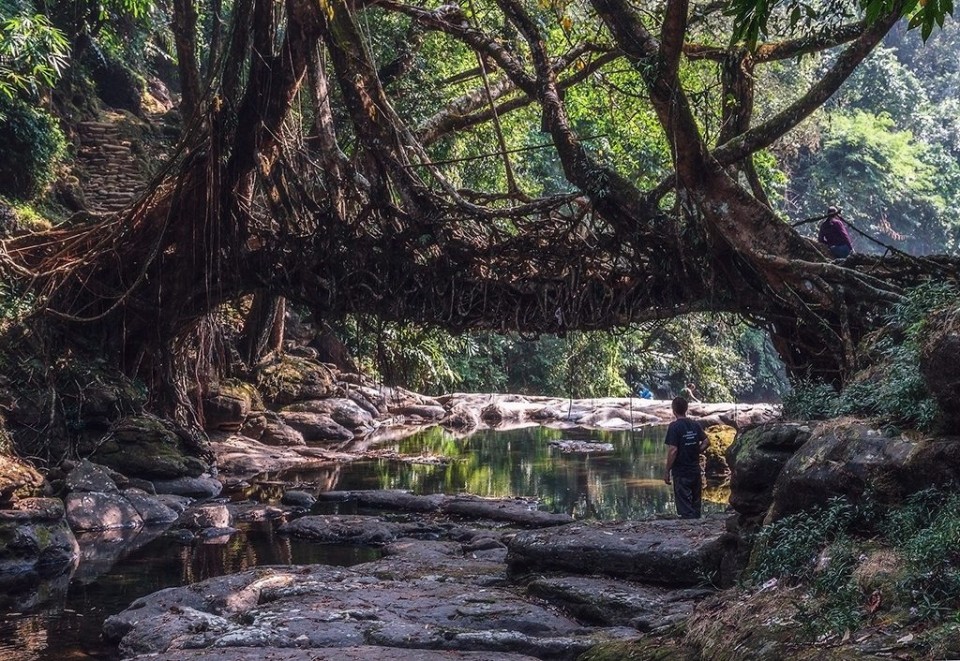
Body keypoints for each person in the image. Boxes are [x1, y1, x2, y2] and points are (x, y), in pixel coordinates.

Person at [663, 397, 710, 519]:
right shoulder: (695, 424)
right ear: (686, 409)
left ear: (674, 410)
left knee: (684, 506)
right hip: (695, 469)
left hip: (681, 471)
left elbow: (673, 450)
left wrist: (667, 470)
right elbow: (706, 441)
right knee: (695, 503)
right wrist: (696, 450)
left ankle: (690, 530)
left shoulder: (674, 427)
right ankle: (697, 525)